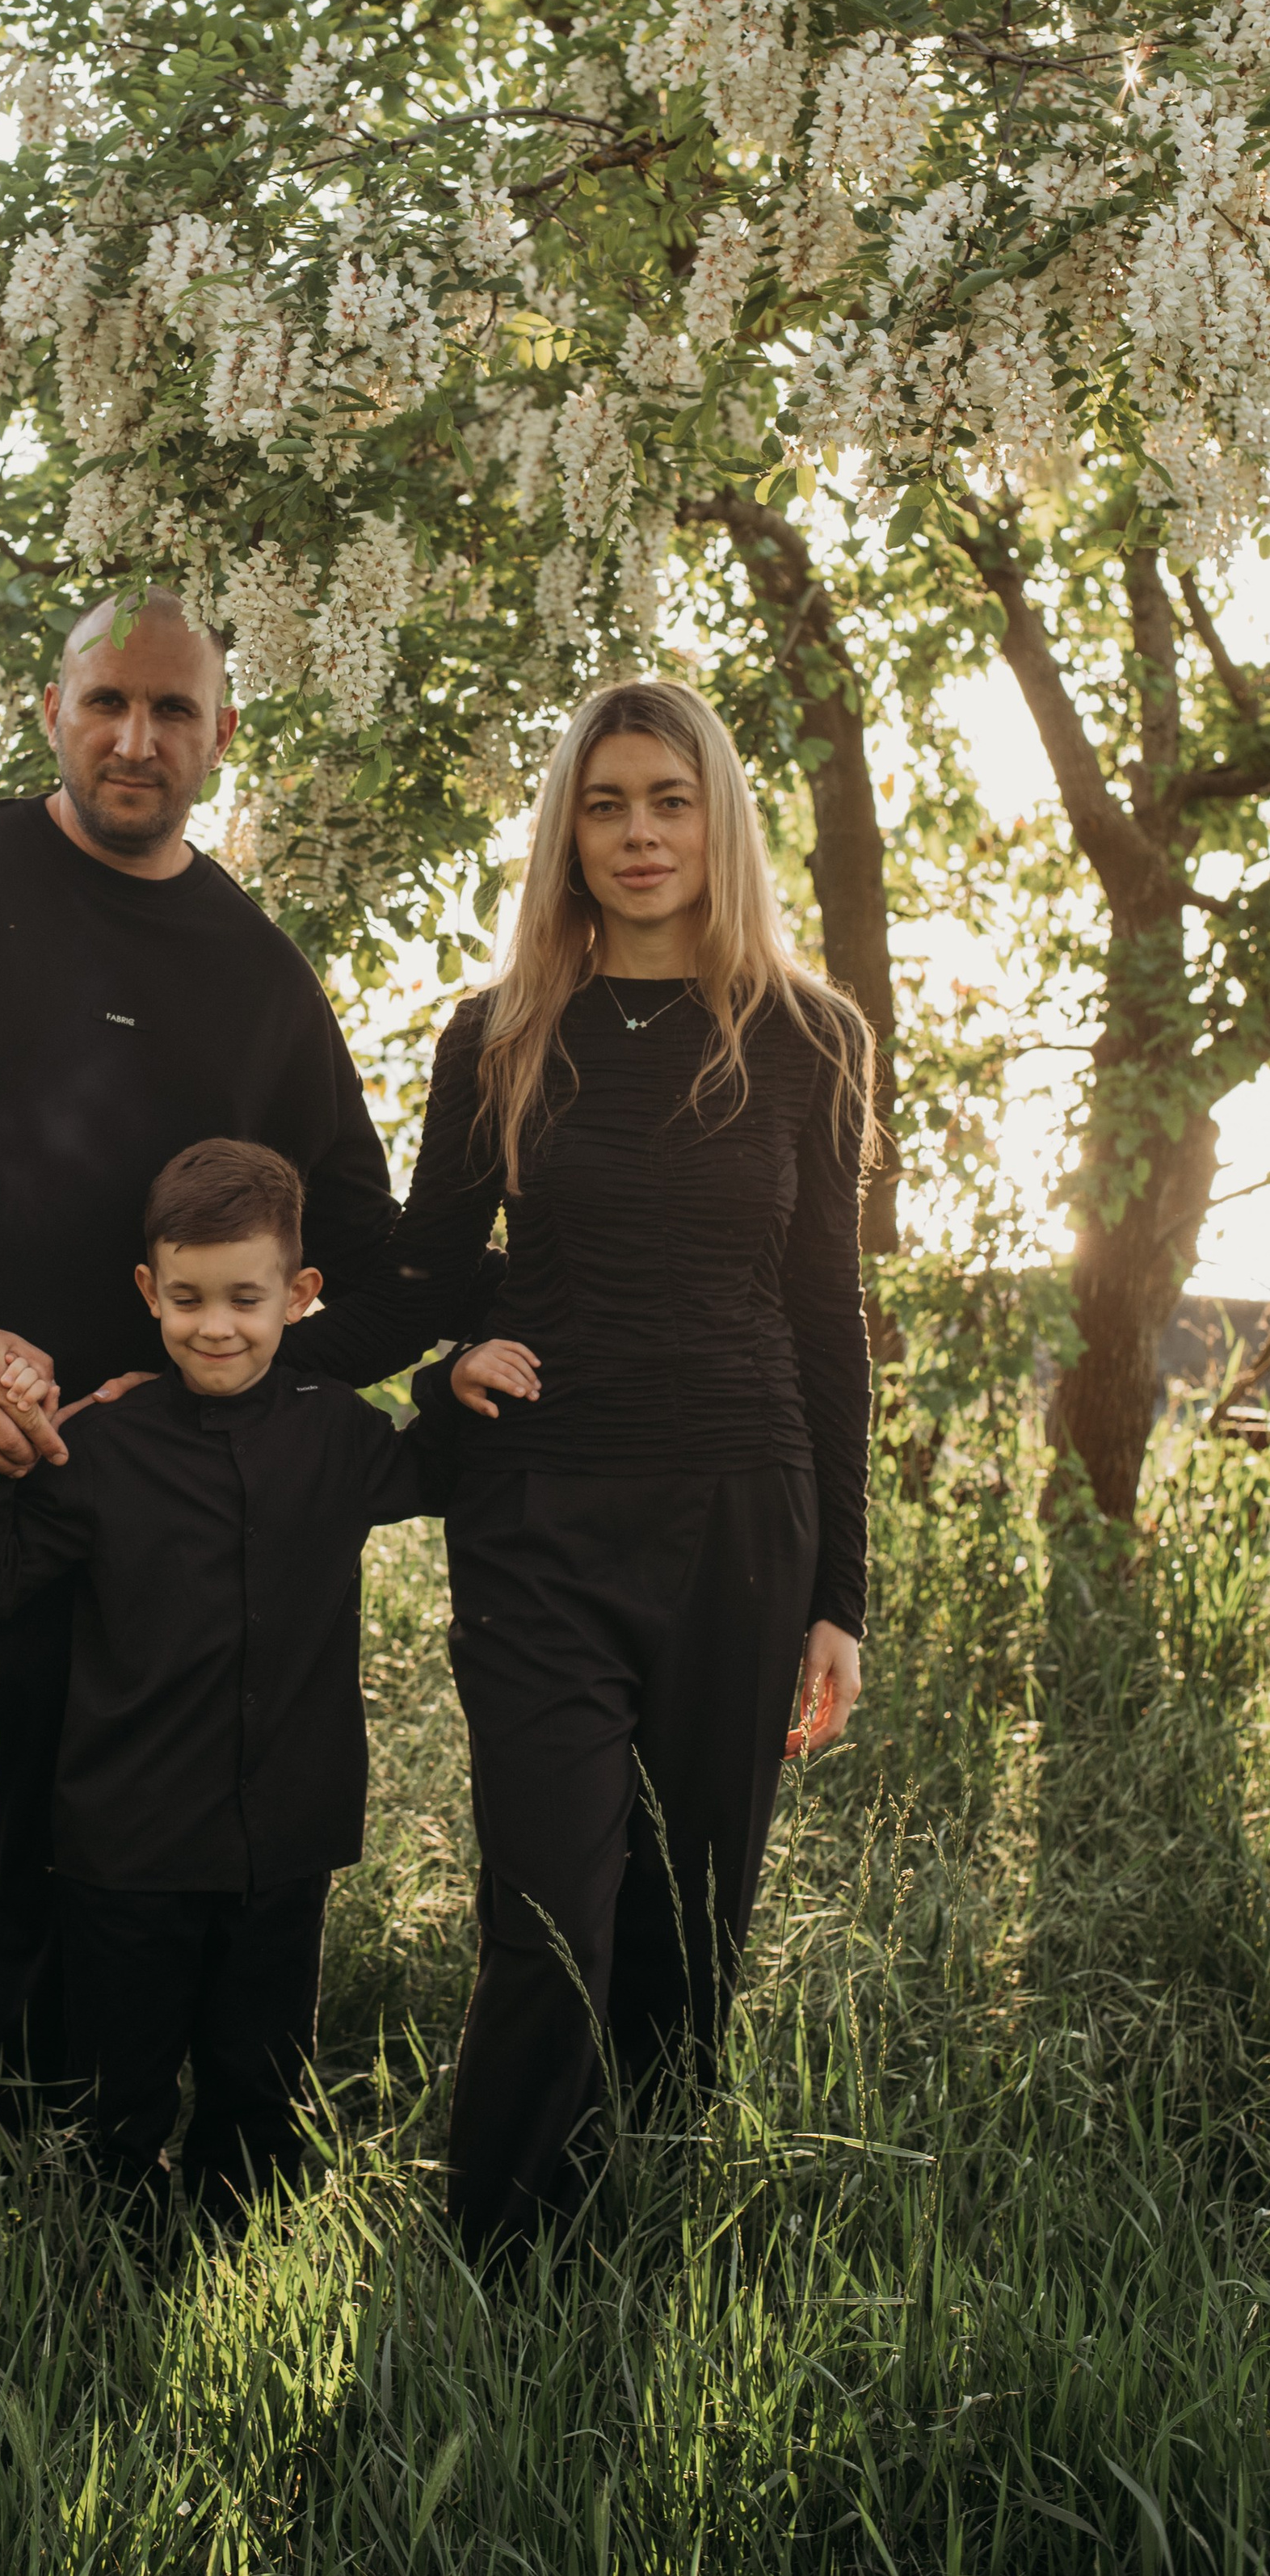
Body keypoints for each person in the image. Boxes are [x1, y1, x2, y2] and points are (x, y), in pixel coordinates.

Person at [0, 590, 477, 2167]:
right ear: (49, 710)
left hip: (125, 1545)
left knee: (63, 1883)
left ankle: (7, 2180)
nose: (138, 738)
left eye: (174, 710)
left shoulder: (258, 975)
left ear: (222, 737)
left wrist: (215, 1405)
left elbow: (382, 1266)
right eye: (108, 703)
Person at [370, 676, 873, 2255]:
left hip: (742, 1507)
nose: (639, 833)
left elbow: (825, 1318)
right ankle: (496, 2269)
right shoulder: (498, 1034)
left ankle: (639, 2252)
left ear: (714, 816)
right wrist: (446, 1364)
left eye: (666, 799)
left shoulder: (807, 1037)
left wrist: (837, 1595)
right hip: (537, 1513)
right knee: (547, 1912)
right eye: (605, 804)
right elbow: (431, 1267)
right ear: (564, 831)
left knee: (686, 1921)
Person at [0, 1139, 505, 2218]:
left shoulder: (336, 1434)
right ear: (150, 1292)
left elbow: (440, 1466)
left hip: (284, 1838)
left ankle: (235, 2269)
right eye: (188, 1298)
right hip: (126, 1847)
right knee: (121, 2100)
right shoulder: (99, 1445)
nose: (217, 1325)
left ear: (300, 1294)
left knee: (258, 2089)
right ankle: (114, 2279)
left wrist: (453, 1377)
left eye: (246, 1297)